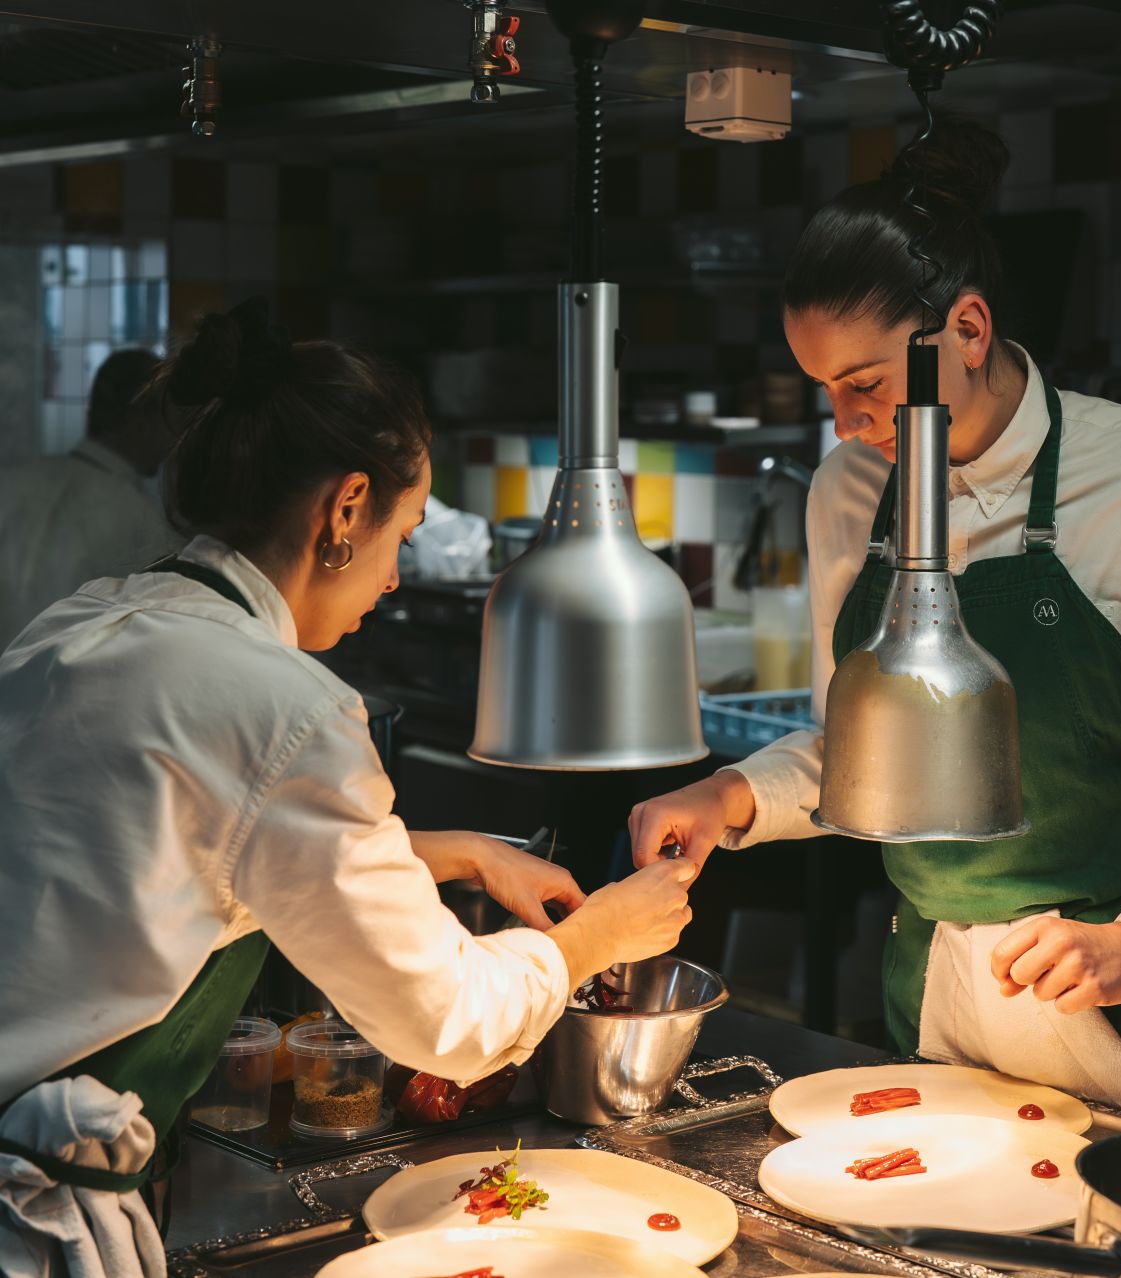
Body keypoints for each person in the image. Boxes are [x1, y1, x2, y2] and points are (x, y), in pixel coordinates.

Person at [0, 299, 695, 1277]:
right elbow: (448, 1022)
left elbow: (162, 859)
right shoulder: (285, 706)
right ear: (346, 508)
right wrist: (600, 937)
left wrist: (460, 854)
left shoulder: (85, 622)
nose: (396, 578)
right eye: (404, 534)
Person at [630, 117, 1121, 1127]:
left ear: (968, 331)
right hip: (943, 1014)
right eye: (827, 391)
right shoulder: (850, 490)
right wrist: (732, 796)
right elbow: (868, 749)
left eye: (867, 385)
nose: (846, 424)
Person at [0, 347, 181, 651]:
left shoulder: (11, 484)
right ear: (140, 417)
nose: (174, 436)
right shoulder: (142, 522)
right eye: (169, 418)